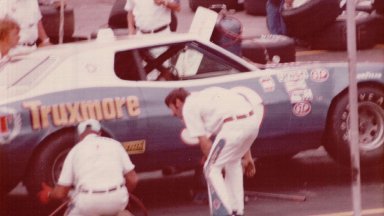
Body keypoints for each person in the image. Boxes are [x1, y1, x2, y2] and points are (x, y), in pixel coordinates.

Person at [165, 87, 263, 216]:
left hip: (233, 127)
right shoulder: (205, 96)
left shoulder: (188, 107)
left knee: (211, 169)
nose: (173, 114)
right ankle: (237, 210)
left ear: (177, 102)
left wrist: (213, 160)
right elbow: (239, 121)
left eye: (171, 109)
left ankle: (223, 212)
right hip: (252, 123)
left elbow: (204, 142)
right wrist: (247, 156)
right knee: (233, 163)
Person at [38, 119, 138, 216]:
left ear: (80, 136)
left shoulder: (75, 151)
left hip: (89, 204)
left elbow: (61, 192)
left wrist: (49, 194)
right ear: (99, 133)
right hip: (118, 201)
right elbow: (133, 180)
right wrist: (119, 194)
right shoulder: (115, 145)